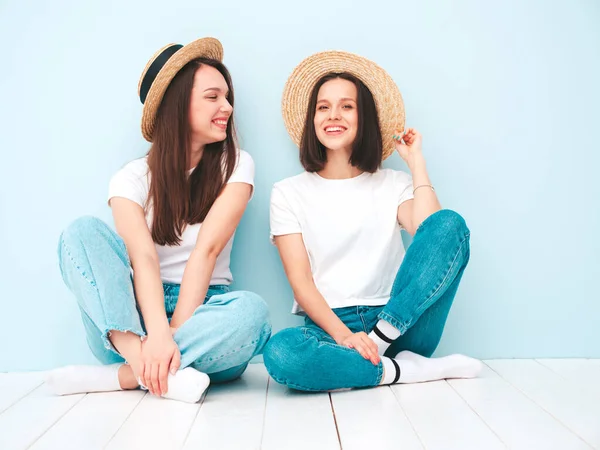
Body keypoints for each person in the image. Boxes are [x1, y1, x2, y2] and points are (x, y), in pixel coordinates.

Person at [47, 37, 271, 403]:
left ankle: (124, 376)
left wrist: (172, 335)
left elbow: (207, 250)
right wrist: (153, 335)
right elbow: (143, 259)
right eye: (213, 97)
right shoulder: (130, 179)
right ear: (178, 104)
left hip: (205, 313)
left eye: (227, 97)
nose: (227, 107)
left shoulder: (237, 164)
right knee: (80, 232)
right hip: (130, 322)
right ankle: (145, 365)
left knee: (254, 314)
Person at [263, 50, 481, 391]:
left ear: (363, 117)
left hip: (402, 320)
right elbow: (301, 284)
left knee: (450, 222)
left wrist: (415, 163)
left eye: (346, 106)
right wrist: (346, 336)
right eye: (323, 107)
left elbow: (434, 231)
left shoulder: (391, 184)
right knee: (281, 354)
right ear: (312, 119)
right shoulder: (288, 193)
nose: (333, 115)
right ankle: (403, 371)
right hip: (332, 327)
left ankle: (379, 351)